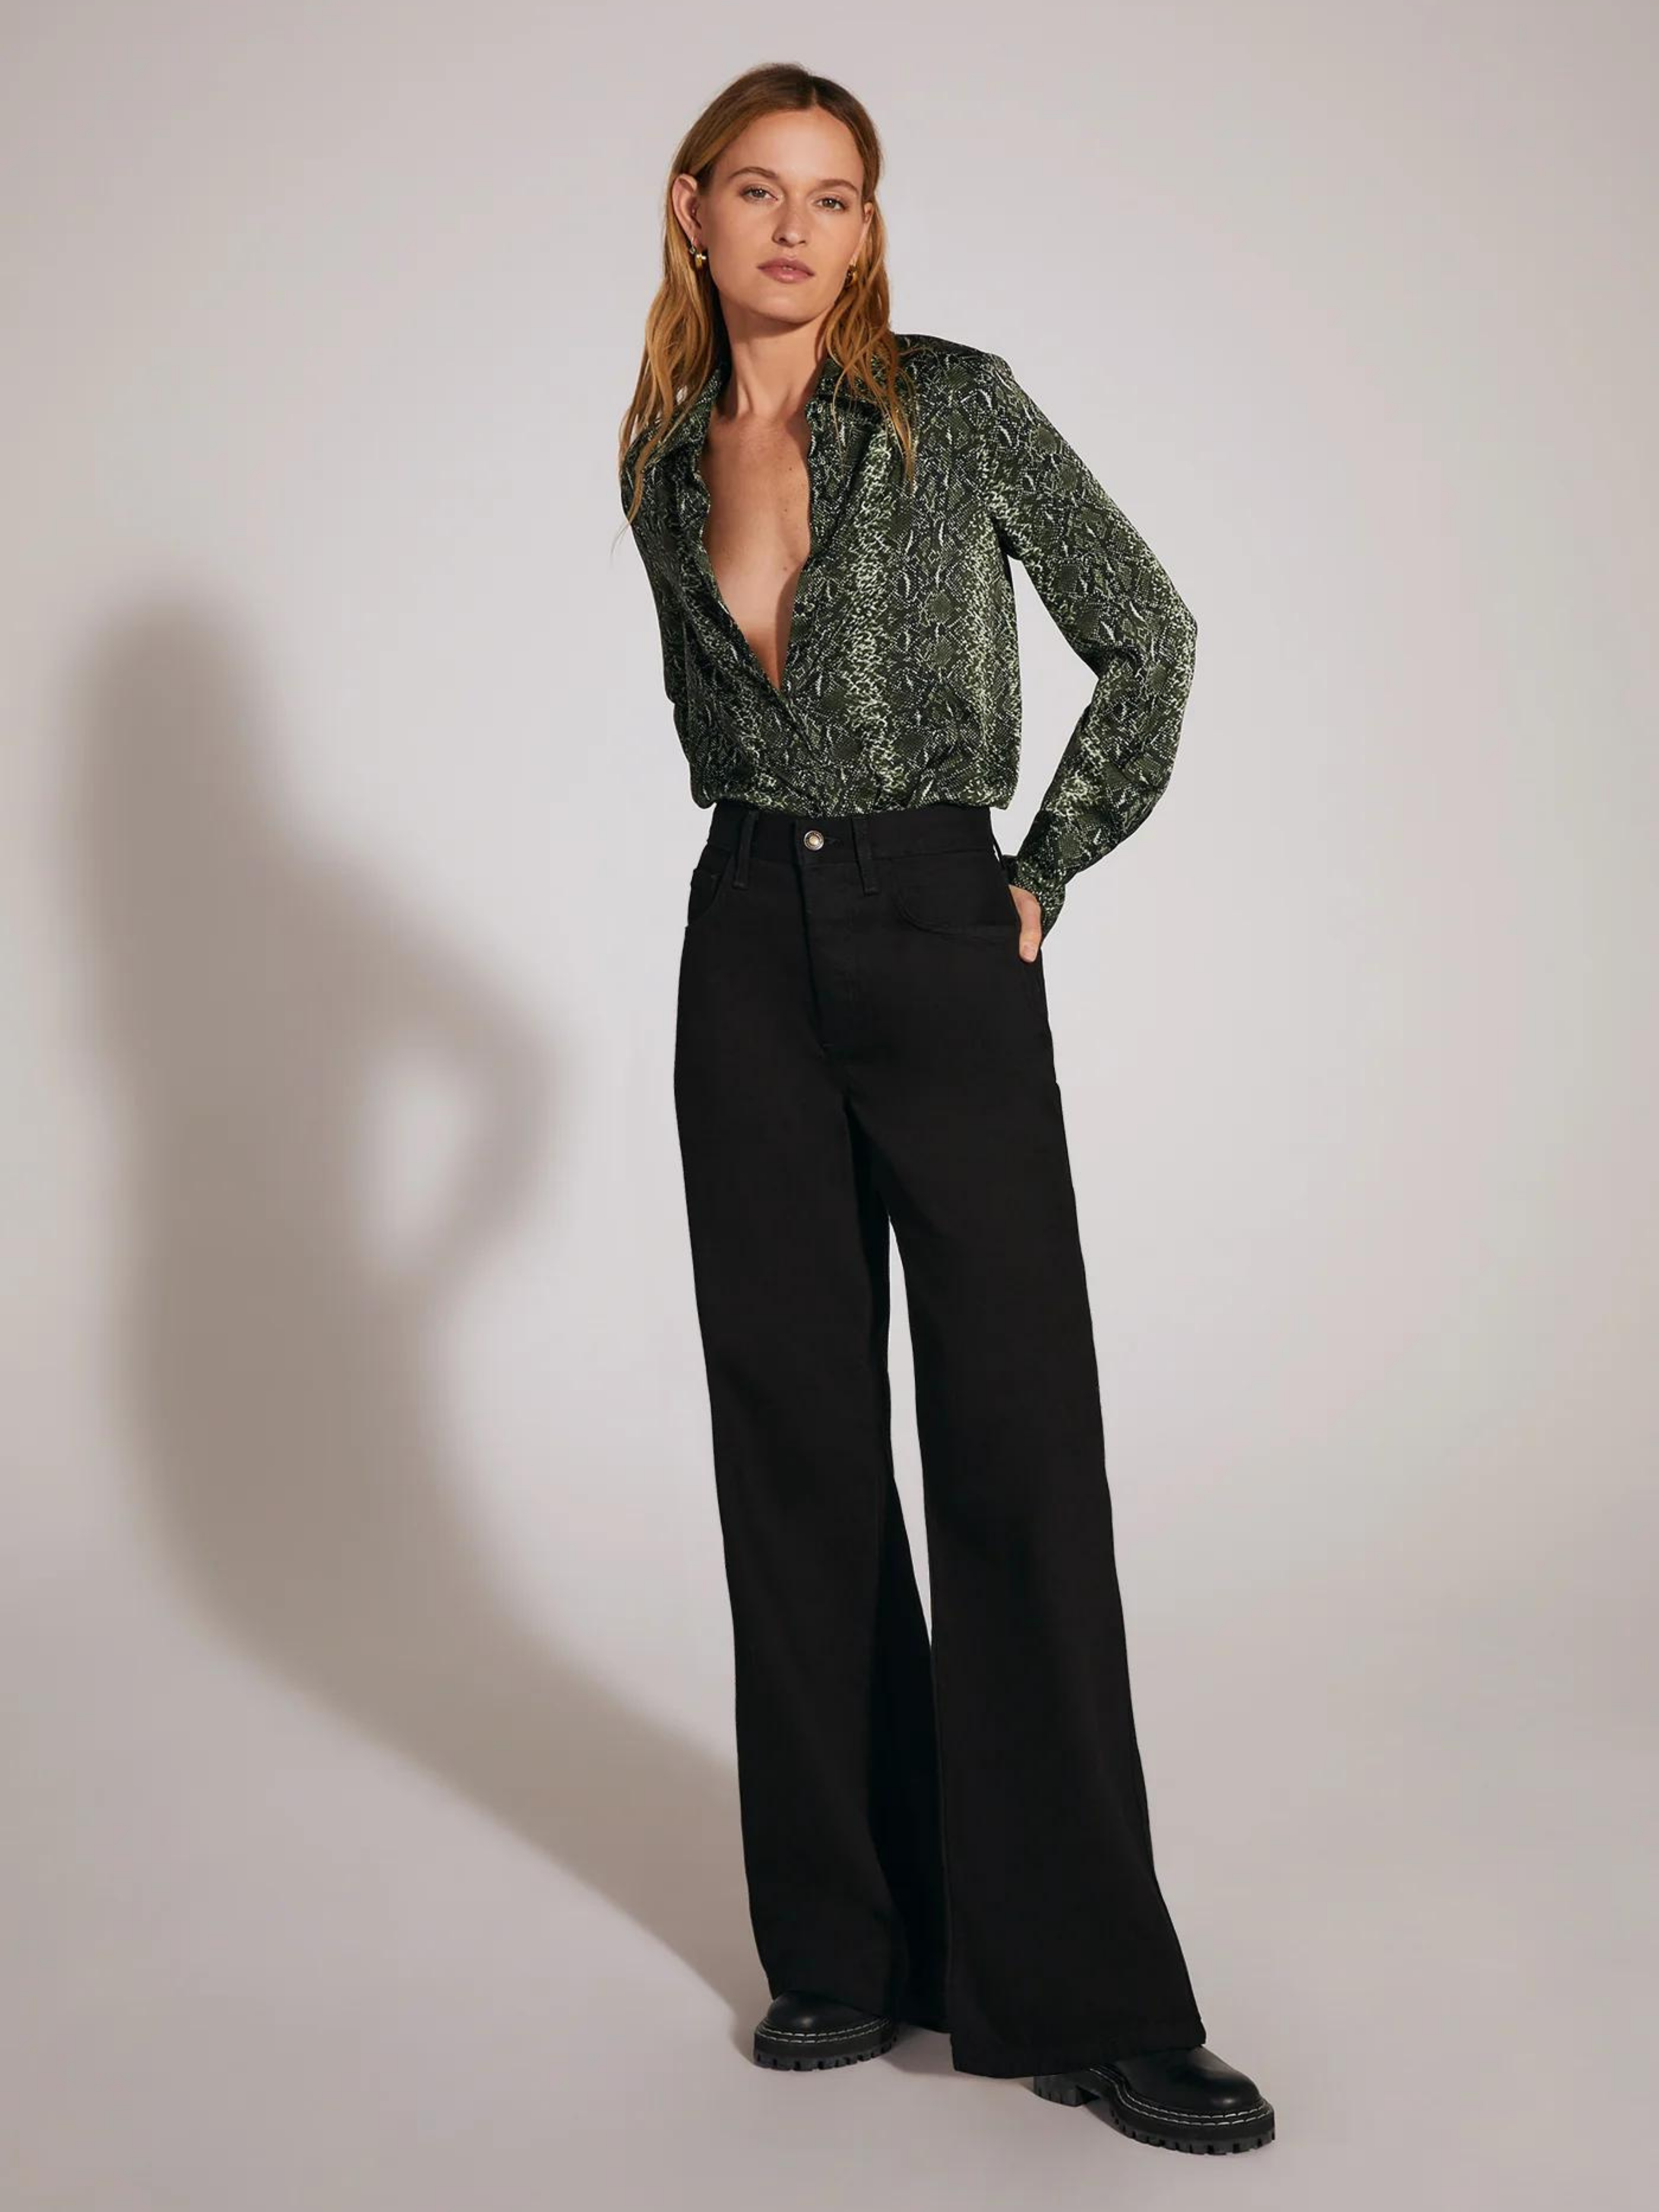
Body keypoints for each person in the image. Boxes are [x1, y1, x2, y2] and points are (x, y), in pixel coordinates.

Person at [616, 63, 1275, 2157]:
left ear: (867, 226)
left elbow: (1147, 635)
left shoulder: (952, 410)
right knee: (793, 1443)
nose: (796, 230)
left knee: (1012, 1440)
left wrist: (1043, 864)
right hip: (746, 939)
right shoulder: (658, 456)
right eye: (760, 191)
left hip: (934, 918)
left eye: (834, 197)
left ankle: (1084, 1992)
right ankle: (846, 1940)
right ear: (695, 212)